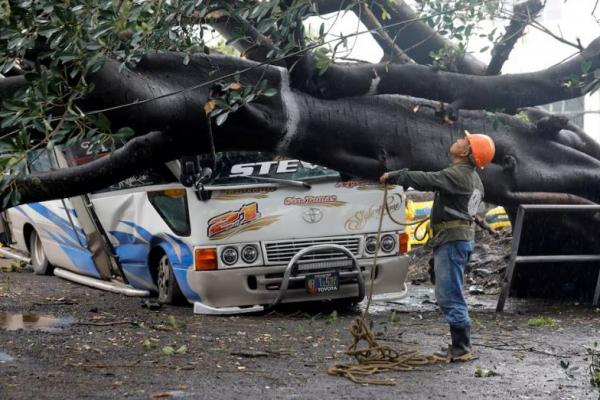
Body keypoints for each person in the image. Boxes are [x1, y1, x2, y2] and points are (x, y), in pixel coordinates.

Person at [380, 131, 495, 362]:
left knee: (449, 294)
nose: (459, 140)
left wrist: (395, 176)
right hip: (457, 239)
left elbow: (427, 179)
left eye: (465, 141)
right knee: (450, 290)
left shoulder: (457, 175)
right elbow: (470, 210)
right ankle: (460, 345)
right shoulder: (474, 178)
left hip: (452, 241)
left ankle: (461, 347)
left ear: (466, 152)